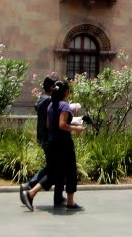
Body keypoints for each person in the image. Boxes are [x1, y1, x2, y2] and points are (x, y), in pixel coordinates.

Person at [20, 75, 58, 211]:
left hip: (42, 137)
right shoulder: (49, 101)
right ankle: (29, 189)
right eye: (55, 86)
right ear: (51, 87)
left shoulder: (42, 99)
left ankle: (29, 187)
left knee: (51, 167)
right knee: (53, 169)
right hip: (49, 138)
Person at [47, 80, 84, 209]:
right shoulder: (64, 106)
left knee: (59, 172)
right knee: (70, 171)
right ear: (67, 92)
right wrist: (76, 128)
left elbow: (49, 125)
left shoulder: (51, 105)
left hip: (53, 142)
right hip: (64, 143)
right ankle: (70, 201)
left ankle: (57, 198)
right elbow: (62, 124)